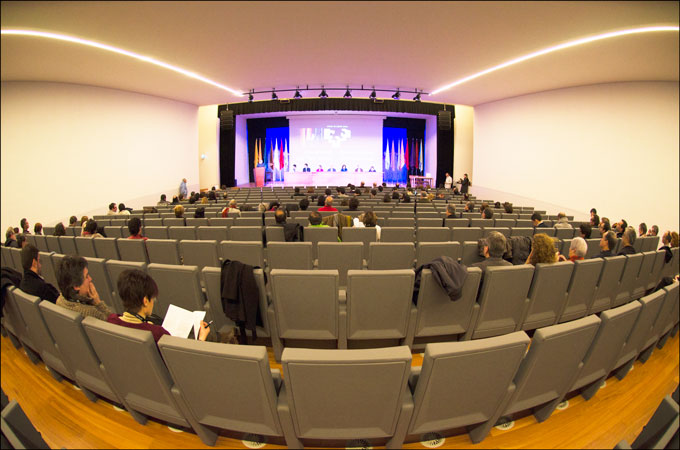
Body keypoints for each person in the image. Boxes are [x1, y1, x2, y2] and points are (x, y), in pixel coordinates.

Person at [107, 269, 209, 343]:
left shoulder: (112, 321)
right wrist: (201, 339)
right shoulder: (157, 333)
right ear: (145, 301)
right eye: (152, 298)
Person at [56, 255, 112, 320]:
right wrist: (98, 303)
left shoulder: (60, 300)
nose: (90, 279)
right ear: (76, 286)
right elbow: (115, 323)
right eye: (86, 276)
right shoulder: (92, 313)